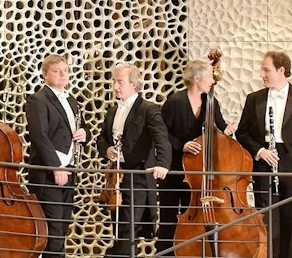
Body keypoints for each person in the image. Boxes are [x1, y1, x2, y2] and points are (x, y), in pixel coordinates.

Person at [234, 50, 292, 258]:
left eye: (266, 70)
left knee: (289, 222)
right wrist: (259, 151)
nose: (261, 74)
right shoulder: (254, 99)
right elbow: (242, 133)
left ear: (281, 70)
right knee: (266, 222)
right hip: (264, 164)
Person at [154, 56, 228, 256]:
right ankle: (166, 254)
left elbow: (221, 126)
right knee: (169, 217)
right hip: (175, 169)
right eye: (209, 77)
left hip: (196, 174)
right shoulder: (175, 102)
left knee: (191, 217)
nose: (213, 80)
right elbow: (161, 133)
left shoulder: (210, 101)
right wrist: (181, 146)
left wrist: (228, 131)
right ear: (196, 79)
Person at [98, 62, 171, 258]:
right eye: (114, 81)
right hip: (116, 177)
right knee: (119, 226)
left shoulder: (148, 109)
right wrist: (107, 149)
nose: (115, 86)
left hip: (138, 176)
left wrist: (162, 164)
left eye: (120, 82)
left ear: (133, 84)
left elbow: (161, 138)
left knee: (128, 228)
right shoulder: (113, 111)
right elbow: (101, 138)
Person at [24, 54, 86, 258]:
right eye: (57, 71)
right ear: (45, 74)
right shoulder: (38, 100)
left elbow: (81, 127)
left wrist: (84, 133)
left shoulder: (71, 100)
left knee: (63, 225)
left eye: (65, 71)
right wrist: (56, 167)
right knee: (53, 229)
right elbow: (39, 136)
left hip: (70, 169)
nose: (63, 75)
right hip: (49, 174)